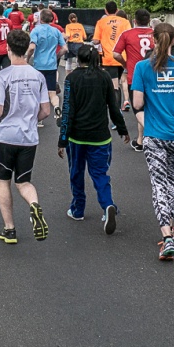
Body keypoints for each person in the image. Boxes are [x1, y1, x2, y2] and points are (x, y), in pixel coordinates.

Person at [131, 23, 174, 260]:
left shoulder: (141, 68)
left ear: (153, 39)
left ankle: (167, 236)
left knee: (159, 183)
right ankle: (170, 224)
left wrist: (152, 111)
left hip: (155, 134)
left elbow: (137, 104)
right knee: (170, 179)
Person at [58, 44, 130, 232]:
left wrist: (62, 139)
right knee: (100, 174)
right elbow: (113, 107)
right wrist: (122, 129)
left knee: (76, 172)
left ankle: (78, 209)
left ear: (78, 59)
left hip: (77, 137)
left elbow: (68, 111)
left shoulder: (71, 78)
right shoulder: (105, 77)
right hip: (100, 137)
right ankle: (108, 205)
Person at [0, 29, 51, 244]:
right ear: (27, 50)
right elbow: (46, 110)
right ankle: (34, 204)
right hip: (28, 137)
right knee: (24, 181)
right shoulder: (38, 76)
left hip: (6, 135)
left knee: (3, 181)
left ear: (8, 49)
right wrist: (32, 119)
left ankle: (10, 229)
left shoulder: (2, 76)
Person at [113, 8, 155, 113]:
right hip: (154, 76)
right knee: (153, 111)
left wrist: (125, 64)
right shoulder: (155, 34)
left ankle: (144, 129)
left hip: (135, 77)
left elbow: (116, 54)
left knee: (139, 111)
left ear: (135, 21)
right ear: (149, 21)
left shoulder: (127, 34)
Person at [28, 9, 66, 122]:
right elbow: (65, 48)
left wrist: (28, 58)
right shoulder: (56, 31)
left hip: (39, 65)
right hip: (51, 65)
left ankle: (39, 119)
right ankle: (56, 107)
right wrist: (57, 57)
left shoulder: (36, 30)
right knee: (52, 92)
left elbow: (31, 47)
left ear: (40, 18)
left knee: (38, 92)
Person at [92, 1, 131, 110]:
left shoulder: (101, 22)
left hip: (109, 58)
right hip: (123, 57)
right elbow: (129, 36)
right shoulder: (125, 22)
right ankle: (122, 106)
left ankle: (117, 114)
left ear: (105, 10)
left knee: (114, 87)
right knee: (120, 82)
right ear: (117, 10)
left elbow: (95, 41)